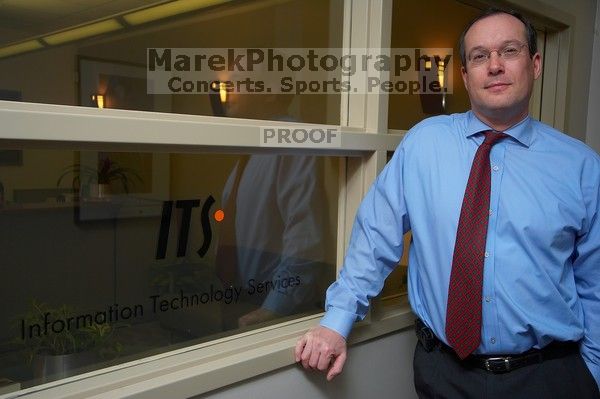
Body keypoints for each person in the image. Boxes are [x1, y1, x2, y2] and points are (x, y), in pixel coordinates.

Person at [295, 8, 600, 398]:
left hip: (547, 378)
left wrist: (591, 375)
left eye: (509, 51)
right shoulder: (424, 144)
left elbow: (594, 283)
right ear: (464, 74)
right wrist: (337, 321)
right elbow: (375, 236)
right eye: (478, 56)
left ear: (535, 63)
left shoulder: (581, 167)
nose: (494, 66)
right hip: (445, 375)